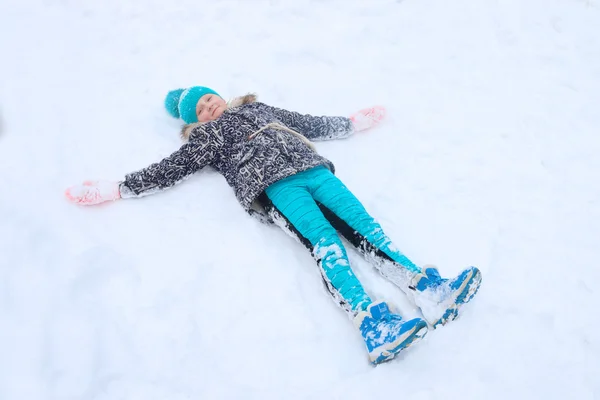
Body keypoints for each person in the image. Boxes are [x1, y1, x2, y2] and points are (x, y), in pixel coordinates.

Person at [65, 86, 482, 365]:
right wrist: (119, 187)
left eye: (211, 98)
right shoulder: (207, 137)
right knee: (325, 244)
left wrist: (351, 124)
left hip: (315, 171)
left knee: (368, 229)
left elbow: (306, 122)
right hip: (276, 188)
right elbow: (172, 168)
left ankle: (428, 289)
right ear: (195, 119)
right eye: (201, 108)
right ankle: (373, 322)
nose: (210, 106)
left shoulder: (257, 109)